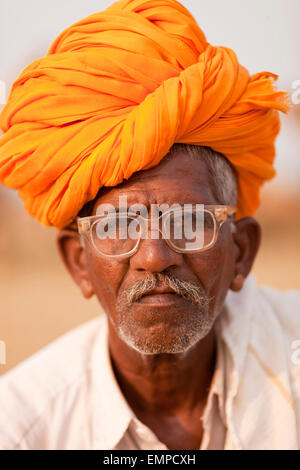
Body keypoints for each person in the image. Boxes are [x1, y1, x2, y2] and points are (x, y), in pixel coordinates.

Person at [0, 0, 299, 450]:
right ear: (78, 263)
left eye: (191, 222)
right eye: (118, 225)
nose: (155, 256)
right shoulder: (22, 428)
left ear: (242, 251)